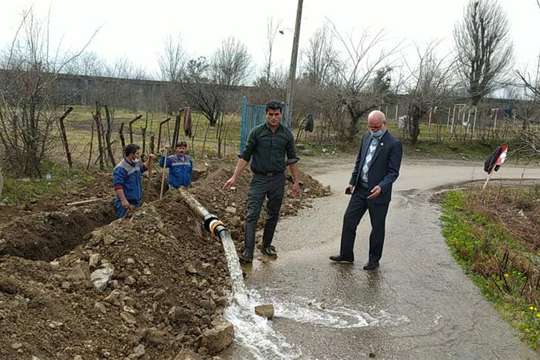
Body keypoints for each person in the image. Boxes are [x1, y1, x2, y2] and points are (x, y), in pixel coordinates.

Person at [223, 100, 301, 264]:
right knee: (252, 215)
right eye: (270, 114)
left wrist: (295, 182)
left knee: (273, 214)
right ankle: (248, 252)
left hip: (278, 179)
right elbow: (245, 156)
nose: (273, 118)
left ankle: (266, 246)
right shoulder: (256, 133)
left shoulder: (286, 134)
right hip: (259, 179)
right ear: (266, 114)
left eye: (277, 114)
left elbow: (292, 160)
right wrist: (234, 177)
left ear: (281, 115)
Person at [330, 110, 402, 270]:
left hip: (378, 194)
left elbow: (393, 172)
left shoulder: (394, 144)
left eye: (376, 127)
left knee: (377, 227)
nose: (373, 130)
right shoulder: (366, 137)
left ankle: (374, 260)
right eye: (371, 127)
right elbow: (359, 162)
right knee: (349, 220)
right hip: (360, 189)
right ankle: (346, 255)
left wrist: (382, 186)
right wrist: (352, 182)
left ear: (384, 124)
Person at [113, 144, 156, 218]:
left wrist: (149, 159)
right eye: (137, 153)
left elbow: (143, 168)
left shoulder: (135, 163)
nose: (138, 155)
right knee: (123, 224)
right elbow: (118, 186)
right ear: (130, 154)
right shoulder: (120, 168)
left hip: (136, 202)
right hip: (126, 204)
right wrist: (123, 200)